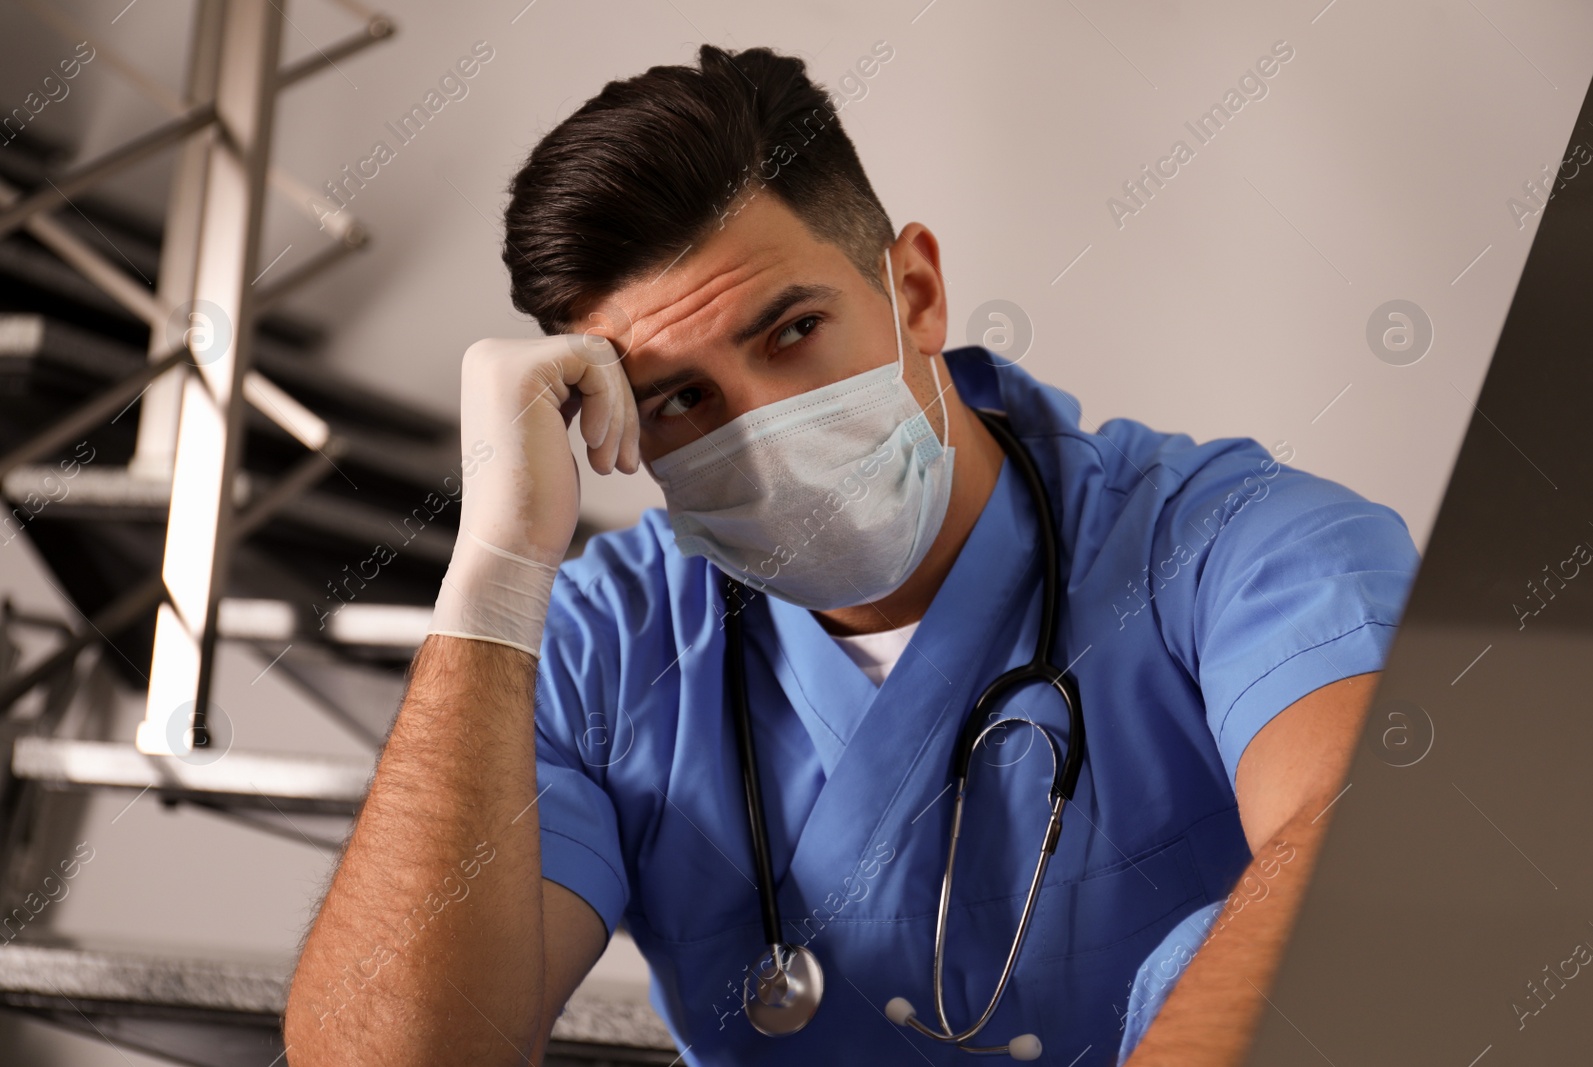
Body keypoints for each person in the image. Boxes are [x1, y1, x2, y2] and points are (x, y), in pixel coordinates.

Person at [283, 44, 1420, 1067]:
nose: (762, 424)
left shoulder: (1238, 544)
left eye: (790, 330)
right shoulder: (599, 646)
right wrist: (492, 570)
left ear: (914, 290)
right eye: (678, 398)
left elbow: (1371, 866)